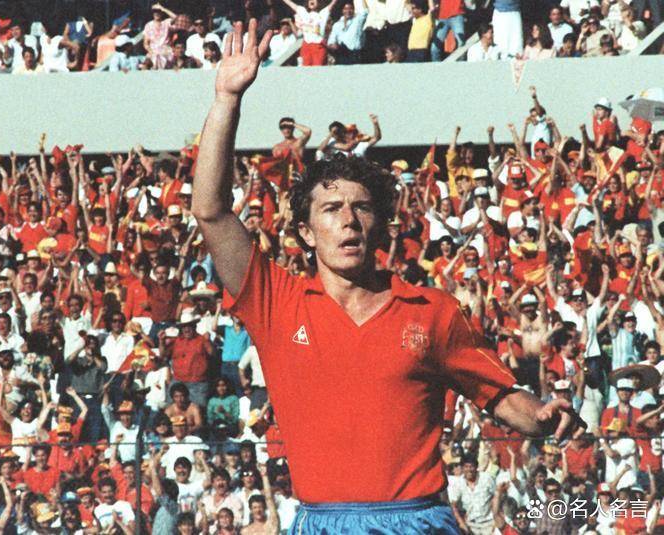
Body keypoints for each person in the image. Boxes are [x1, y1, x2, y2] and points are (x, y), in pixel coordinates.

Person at [191, 19, 583, 531]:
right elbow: (211, 211)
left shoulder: (433, 311)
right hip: (323, 522)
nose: (349, 221)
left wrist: (543, 416)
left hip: (418, 520)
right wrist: (226, 98)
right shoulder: (276, 303)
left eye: (361, 208)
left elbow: (502, 397)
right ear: (306, 232)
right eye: (331, 209)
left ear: (381, 225)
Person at [281, 0, 339, 66]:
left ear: (318, 3)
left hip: (318, 45)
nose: (312, 0)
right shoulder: (303, 12)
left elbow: (333, 3)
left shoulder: (322, 13)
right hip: (306, 45)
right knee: (306, 68)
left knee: (317, 68)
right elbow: (290, 3)